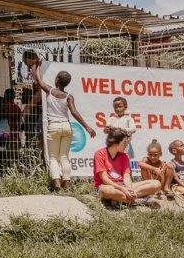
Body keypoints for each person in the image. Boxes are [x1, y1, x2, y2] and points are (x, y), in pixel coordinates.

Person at [31, 63, 97, 191]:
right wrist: (87, 127)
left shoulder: (50, 91)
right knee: (64, 157)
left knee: (53, 157)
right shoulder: (68, 97)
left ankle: (57, 184)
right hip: (66, 126)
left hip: (53, 127)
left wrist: (36, 66)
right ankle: (67, 184)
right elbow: (74, 112)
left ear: (56, 80)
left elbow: (39, 80)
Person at [94, 128, 161, 207]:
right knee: (107, 191)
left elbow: (126, 176)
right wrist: (122, 189)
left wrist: (129, 189)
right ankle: (137, 200)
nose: (126, 145)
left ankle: (122, 199)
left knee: (156, 184)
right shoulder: (100, 153)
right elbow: (105, 179)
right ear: (115, 142)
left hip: (122, 185)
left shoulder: (124, 156)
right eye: (124, 142)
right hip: (107, 186)